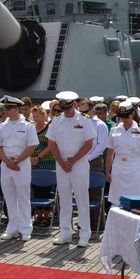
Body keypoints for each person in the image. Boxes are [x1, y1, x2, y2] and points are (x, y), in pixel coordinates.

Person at [47, 91, 96, 248]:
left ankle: (84, 234)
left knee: (82, 199)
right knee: (64, 198)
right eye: (63, 107)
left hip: (79, 163)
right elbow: (51, 143)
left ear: (75, 104)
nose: (66, 110)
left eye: (68, 107)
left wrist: (73, 160)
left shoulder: (84, 120)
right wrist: (61, 161)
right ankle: (65, 232)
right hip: (61, 164)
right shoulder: (56, 122)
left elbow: (89, 143)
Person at [0, 96, 38, 241]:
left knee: (23, 197)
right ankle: (12, 227)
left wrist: (17, 160)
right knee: (9, 197)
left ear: (16, 109)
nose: (6, 110)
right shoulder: (2, 126)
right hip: (6, 165)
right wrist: (7, 161)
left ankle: (25, 228)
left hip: (22, 164)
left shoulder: (27, 125)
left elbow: (31, 147)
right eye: (5, 108)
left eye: (8, 108)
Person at [106, 101, 140, 207]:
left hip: (136, 167)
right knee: (117, 200)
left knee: (136, 197)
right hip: (118, 167)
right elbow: (110, 151)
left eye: (126, 116)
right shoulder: (114, 129)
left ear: (132, 114)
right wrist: (107, 171)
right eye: (122, 116)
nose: (124, 119)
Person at [28, 104, 56, 227]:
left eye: (37, 116)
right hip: (33, 161)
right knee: (36, 189)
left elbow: (50, 146)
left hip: (46, 161)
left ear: (43, 116)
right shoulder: (31, 128)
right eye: (33, 117)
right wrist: (30, 158)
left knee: (45, 189)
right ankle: (38, 215)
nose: (35, 119)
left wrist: (39, 157)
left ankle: (46, 216)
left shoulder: (49, 128)